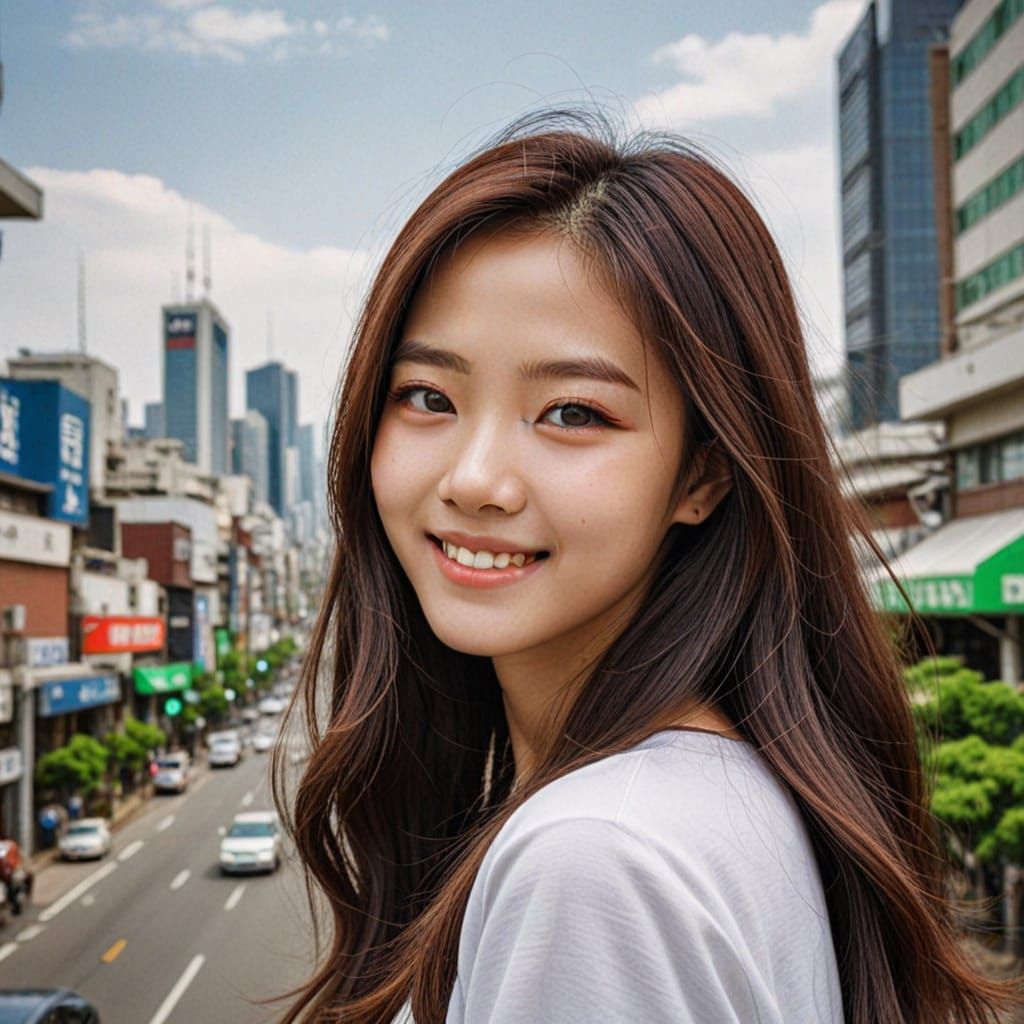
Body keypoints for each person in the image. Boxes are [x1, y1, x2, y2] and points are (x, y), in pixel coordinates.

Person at [273, 112, 1022, 1023]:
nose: (474, 481)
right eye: (428, 396)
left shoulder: (596, 861)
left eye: (574, 414)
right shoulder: (722, 794)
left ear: (703, 474)